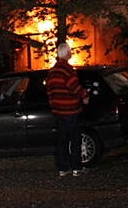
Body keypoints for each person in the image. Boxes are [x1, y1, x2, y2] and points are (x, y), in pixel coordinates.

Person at [46, 42, 89, 177]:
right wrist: (85, 95)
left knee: (62, 140)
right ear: (67, 54)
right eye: (70, 51)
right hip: (71, 111)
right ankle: (76, 168)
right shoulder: (68, 70)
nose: (71, 53)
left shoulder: (52, 71)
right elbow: (74, 87)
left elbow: (49, 91)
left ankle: (63, 168)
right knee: (75, 139)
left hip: (58, 112)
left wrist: (54, 106)